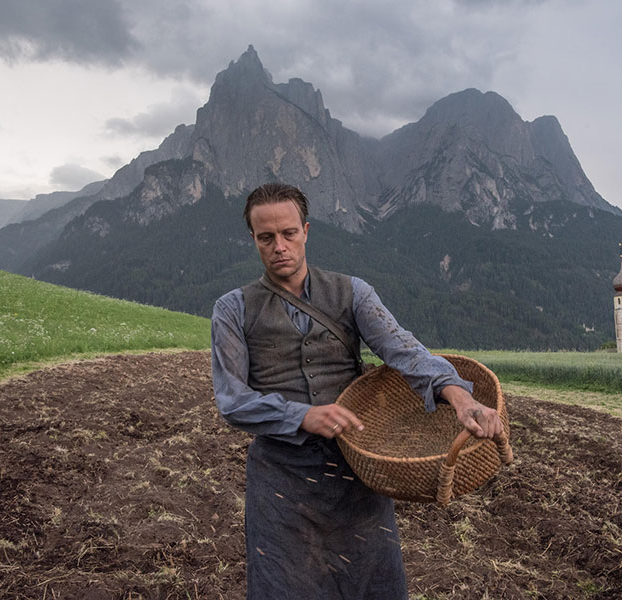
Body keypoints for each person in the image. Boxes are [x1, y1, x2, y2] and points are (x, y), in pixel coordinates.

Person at [211, 182, 503, 599]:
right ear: (254, 240)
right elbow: (232, 400)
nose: (280, 246)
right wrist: (302, 416)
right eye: (266, 237)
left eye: (289, 233)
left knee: (371, 586)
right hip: (281, 483)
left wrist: (459, 396)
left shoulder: (353, 292)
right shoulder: (232, 309)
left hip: (356, 473)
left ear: (306, 231)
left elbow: (404, 350)